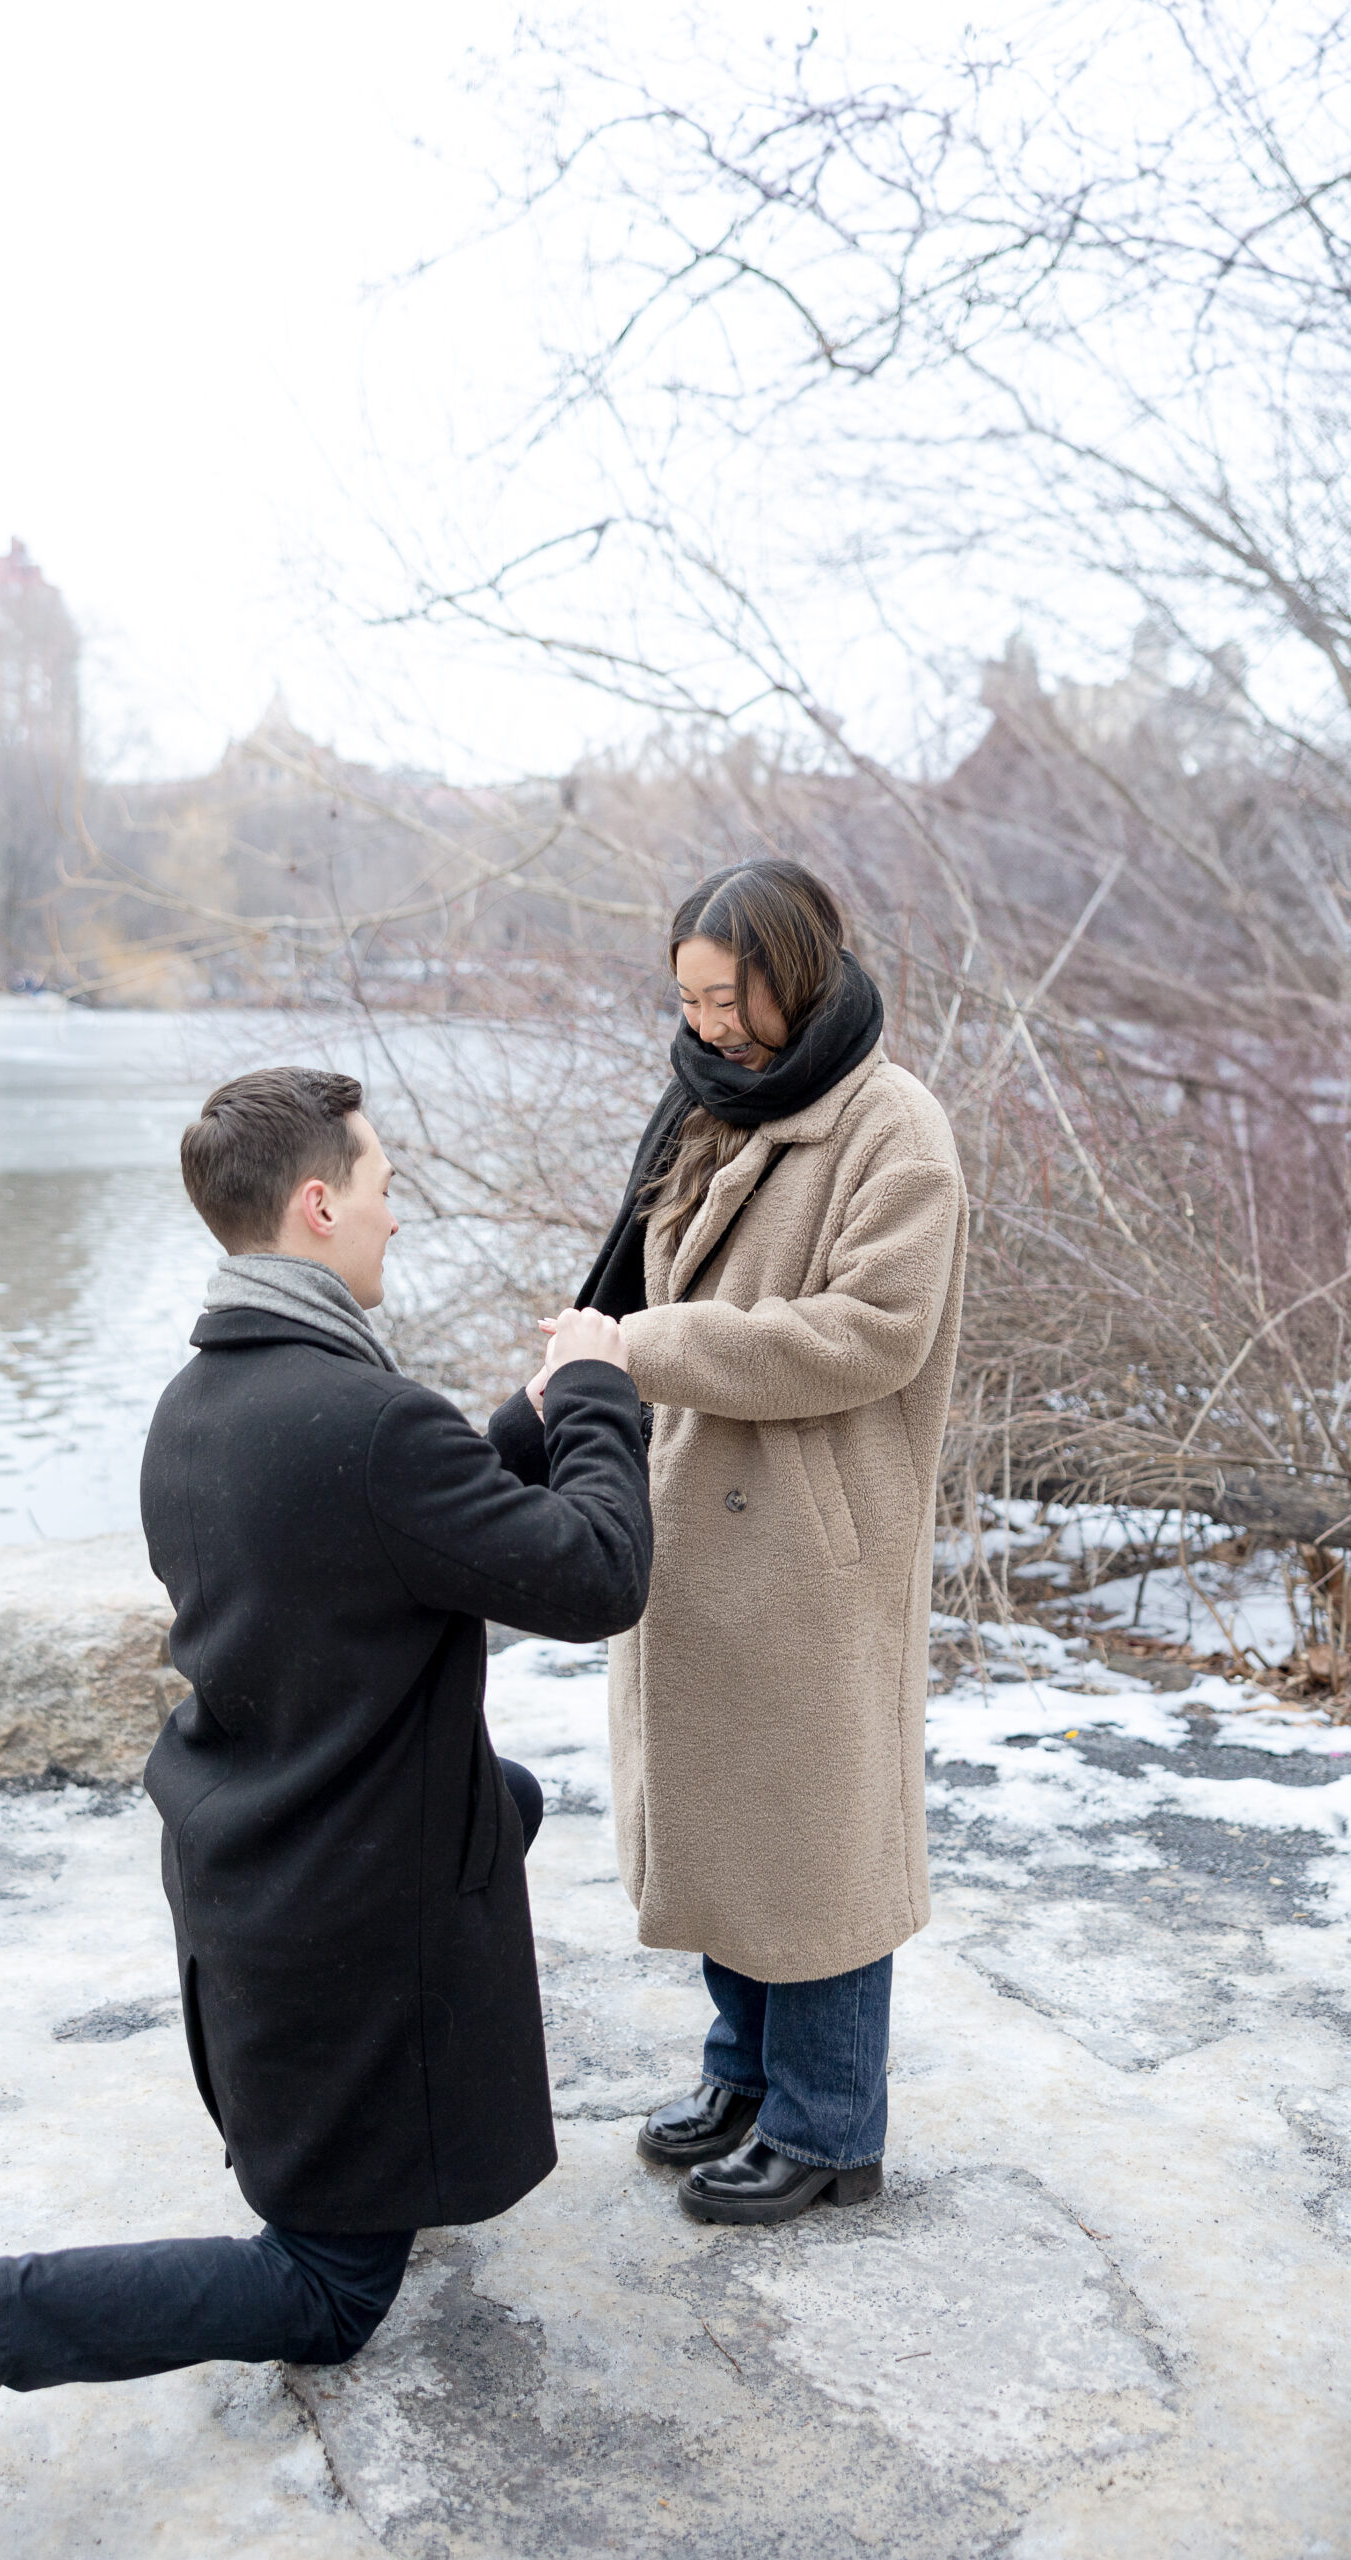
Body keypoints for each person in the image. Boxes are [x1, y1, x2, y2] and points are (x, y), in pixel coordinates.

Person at [0, 1065, 651, 2533]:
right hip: (345, 1908)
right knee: (331, 2290)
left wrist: (525, 1420)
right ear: (319, 1201)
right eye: (388, 1184)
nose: (400, 1215)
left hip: (259, 1851)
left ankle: (389, 2125)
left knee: (506, 1798)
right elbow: (596, 1575)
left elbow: (407, 1521)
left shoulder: (203, 1402)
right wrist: (600, 1392)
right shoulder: (363, 1425)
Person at [493, 859, 967, 2227]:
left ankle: (830, 2130)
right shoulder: (709, 1104)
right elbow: (632, 1278)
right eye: (688, 1000)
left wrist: (639, 1352)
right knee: (726, 1829)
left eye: (726, 999)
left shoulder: (894, 1130)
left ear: (796, 974)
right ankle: (745, 2079)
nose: (705, 1027)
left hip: (814, 1551)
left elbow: (868, 1335)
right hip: (696, 1524)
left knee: (814, 1848)